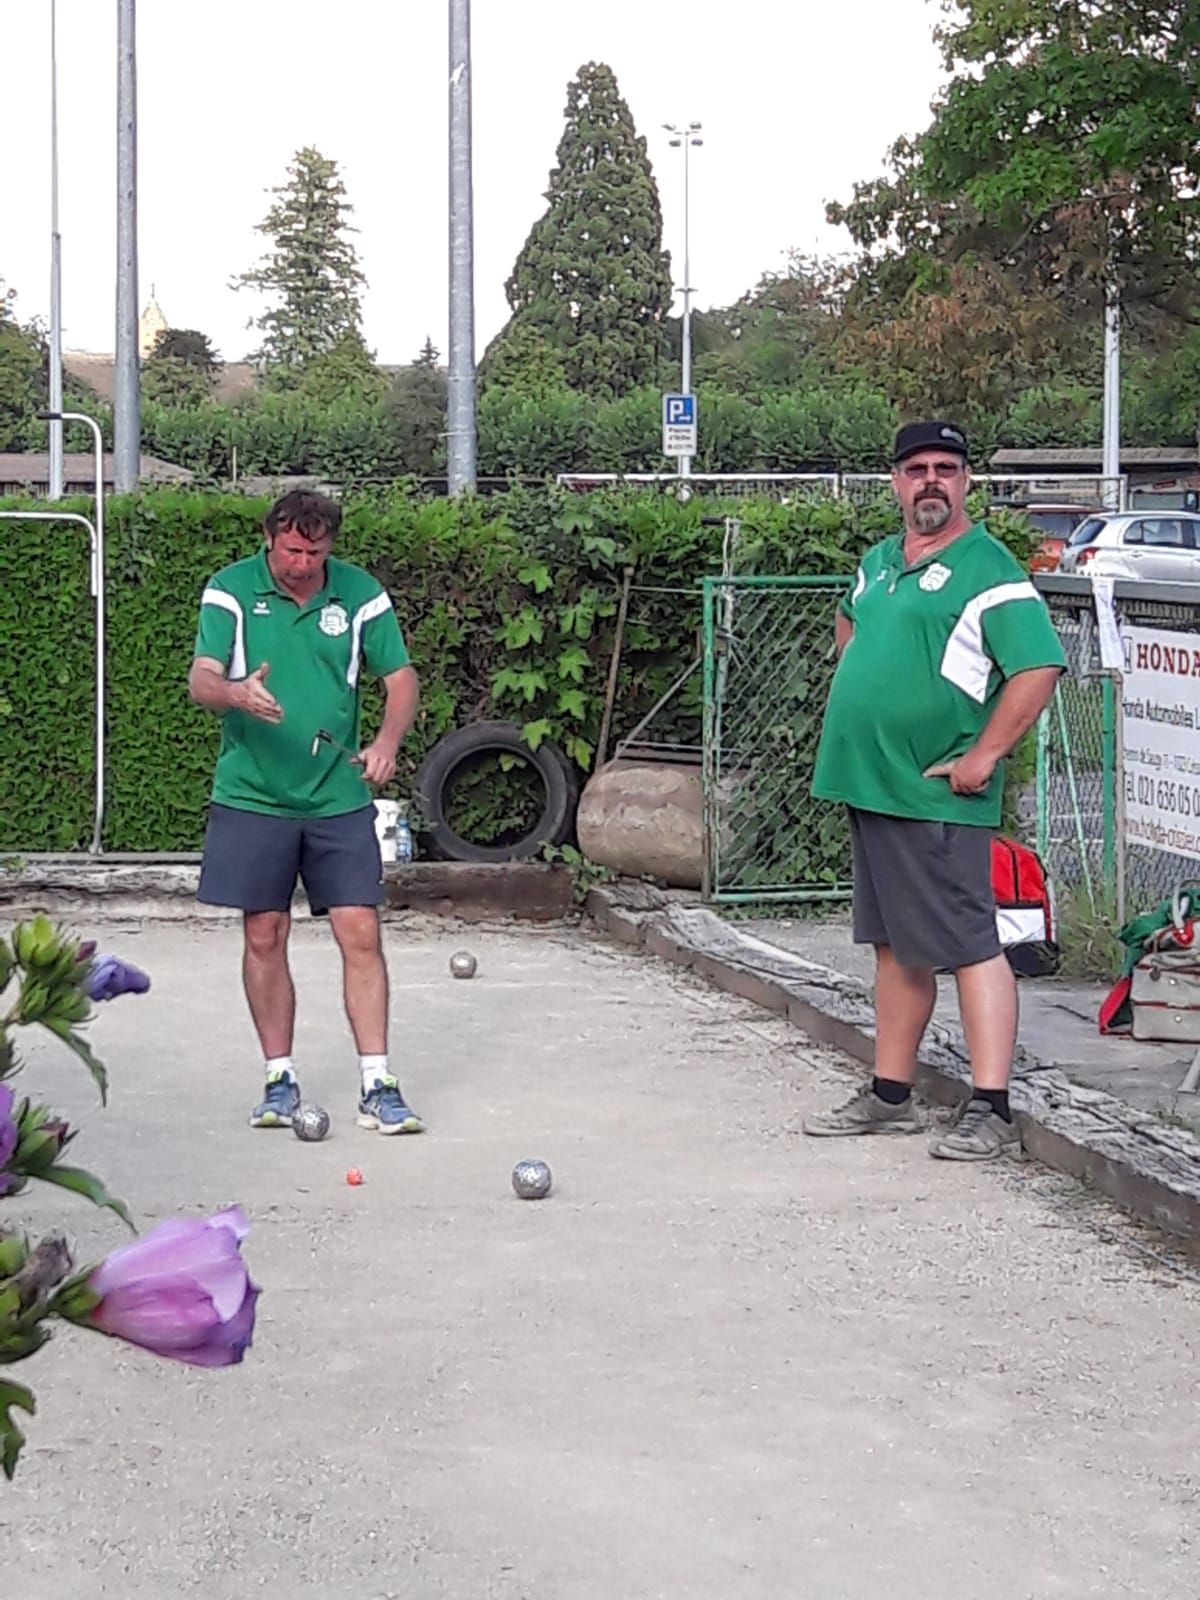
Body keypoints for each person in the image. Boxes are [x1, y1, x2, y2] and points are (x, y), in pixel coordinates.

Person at [805, 421, 1065, 1160]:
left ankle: (993, 1108)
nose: (930, 480)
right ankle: (890, 1095)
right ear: (895, 481)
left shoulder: (988, 568)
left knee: (972, 947)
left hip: (935, 793)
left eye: (945, 468)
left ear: (965, 481)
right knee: (895, 948)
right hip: (872, 786)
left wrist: (983, 756)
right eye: (916, 468)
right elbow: (851, 626)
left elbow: (1038, 666)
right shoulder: (880, 562)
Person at [189, 490, 424, 1135]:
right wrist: (236, 693)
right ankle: (279, 1078)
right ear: (269, 538)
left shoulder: (360, 593)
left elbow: (400, 679)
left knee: (361, 930)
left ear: (330, 547)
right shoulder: (230, 590)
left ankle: (378, 1083)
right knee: (264, 934)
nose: (301, 564)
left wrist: (386, 743)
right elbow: (201, 679)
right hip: (252, 794)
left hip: (338, 795)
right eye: (291, 550)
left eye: (314, 552)